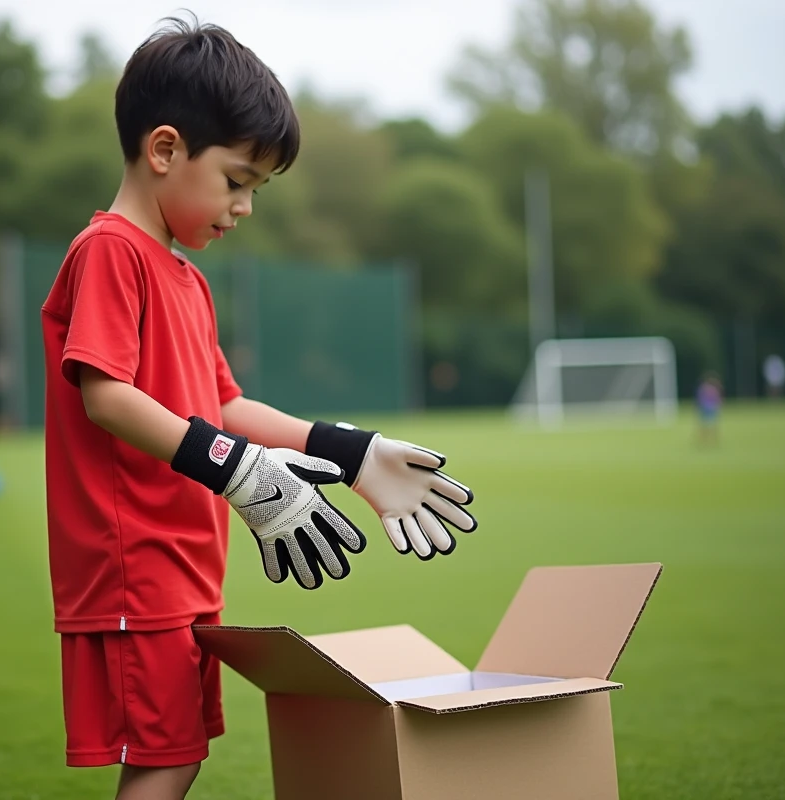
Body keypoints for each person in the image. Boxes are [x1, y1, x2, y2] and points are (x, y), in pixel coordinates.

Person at [40, 16, 478, 800]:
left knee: (177, 755)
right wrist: (241, 474)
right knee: (168, 758)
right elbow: (106, 396)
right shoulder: (109, 250)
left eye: (256, 190)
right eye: (238, 180)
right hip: (132, 569)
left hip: (178, 566)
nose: (245, 206)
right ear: (165, 150)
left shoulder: (185, 278)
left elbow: (226, 406)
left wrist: (350, 453)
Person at [695, 371, 723, 446]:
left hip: (705, 408)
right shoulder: (713, 389)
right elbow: (717, 399)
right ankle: (713, 441)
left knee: (704, 425)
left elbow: (700, 399)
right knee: (712, 425)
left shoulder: (703, 388)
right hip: (711, 408)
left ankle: (704, 440)